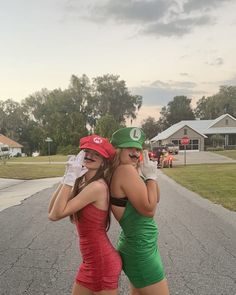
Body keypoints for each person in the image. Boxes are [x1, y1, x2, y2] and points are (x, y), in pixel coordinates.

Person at [48, 134, 122, 295]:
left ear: (103, 162)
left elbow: (55, 215)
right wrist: (66, 177)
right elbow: (51, 210)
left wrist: (69, 179)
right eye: (87, 151)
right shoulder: (82, 181)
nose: (90, 156)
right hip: (91, 261)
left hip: (102, 262)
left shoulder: (97, 187)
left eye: (97, 154)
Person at [110, 127, 170, 295]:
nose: (135, 153)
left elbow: (155, 197)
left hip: (143, 245)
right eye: (130, 148)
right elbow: (149, 210)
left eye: (138, 149)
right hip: (140, 248)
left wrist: (148, 174)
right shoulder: (125, 170)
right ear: (118, 150)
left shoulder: (131, 171)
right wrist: (150, 177)